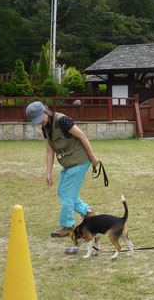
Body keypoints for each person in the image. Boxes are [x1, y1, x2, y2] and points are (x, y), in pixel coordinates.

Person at [25, 101, 100, 237]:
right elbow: (49, 151)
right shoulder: (45, 127)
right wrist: (48, 173)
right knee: (62, 192)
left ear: (45, 111)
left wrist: (93, 157)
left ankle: (67, 225)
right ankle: (88, 213)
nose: (39, 122)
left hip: (79, 161)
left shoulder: (62, 120)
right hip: (68, 163)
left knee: (66, 194)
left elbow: (82, 136)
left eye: (39, 118)